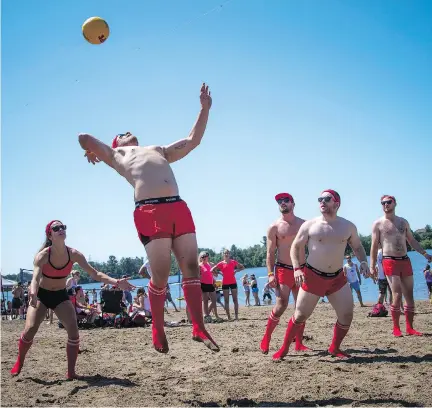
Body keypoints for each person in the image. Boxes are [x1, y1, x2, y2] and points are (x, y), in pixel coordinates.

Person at [78, 83, 218, 353]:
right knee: (162, 275)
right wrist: (93, 150)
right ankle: (158, 328)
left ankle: (198, 328)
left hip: (177, 206)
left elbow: (193, 141)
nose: (128, 131)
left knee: (191, 269)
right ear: (116, 143)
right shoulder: (116, 154)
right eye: (121, 133)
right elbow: (83, 136)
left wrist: (204, 108)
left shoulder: (158, 149)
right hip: (149, 210)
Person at [10, 220, 134, 379]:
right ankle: (20, 361)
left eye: (63, 227)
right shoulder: (42, 256)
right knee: (30, 329)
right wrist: (33, 293)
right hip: (41, 295)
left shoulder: (74, 254)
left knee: (74, 332)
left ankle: (71, 372)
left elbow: (95, 274)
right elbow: (35, 278)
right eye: (56, 228)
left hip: (60, 296)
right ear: (50, 234)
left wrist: (117, 282)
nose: (61, 229)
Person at [273, 190, 371, 360]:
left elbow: (358, 247)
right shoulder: (310, 225)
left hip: (337, 278)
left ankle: (334, 348)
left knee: (347, 315)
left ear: (337, 203)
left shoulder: (348, 226)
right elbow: (295, 248)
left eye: (327, 199)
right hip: (313, 277)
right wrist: (296, 268)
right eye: (320, 199)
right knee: (300, 315)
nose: (322, 202)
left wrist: (363, 262)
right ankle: (284, 348)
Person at [370, 195, 432, 337]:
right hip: (389, 261)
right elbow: (373, 246)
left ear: (395, 203)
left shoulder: (403, 222)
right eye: (383, 203)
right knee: (396, 295)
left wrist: (424, 254)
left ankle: (410, 328)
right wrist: (372, 265)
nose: (386, 205)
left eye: (388, 202)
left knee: (409, 295)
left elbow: (411, 240)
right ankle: (396, 328)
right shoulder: (378, 224)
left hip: (405, 260)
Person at [260, 192, 310, 354]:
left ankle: (299, 343)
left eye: (286, 200)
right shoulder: (274, 227)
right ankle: (266, 338)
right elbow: (269, 253)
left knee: (301, 307)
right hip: (282, 269)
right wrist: (270, 274)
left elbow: (315, 247)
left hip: (301, 269)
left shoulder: (304, 224)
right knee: (281, 305)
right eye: (280, 201)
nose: (282, 203)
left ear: (293, 204)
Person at [211, 249, 245, 320]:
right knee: (226, 301)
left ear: (229, 254)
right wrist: (220, 273)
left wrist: (236, 271)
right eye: (225, 253)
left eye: (227, 253)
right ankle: (229, 317)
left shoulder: (233, 262)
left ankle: (236, 316)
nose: (226, 254)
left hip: (233, 282)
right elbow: (212, 270)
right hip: (225, 283)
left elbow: (242, 267)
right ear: (223, 255)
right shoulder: (221, 263)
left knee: (235, 300)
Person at [199, 251, 220, 322]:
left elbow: (215, 275)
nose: (204, 258)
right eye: (203, 257)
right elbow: (198, 277)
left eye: (206, 256)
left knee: (214, 300)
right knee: (205, 301)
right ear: (201, 258)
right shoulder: (199, 266)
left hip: (211, 284)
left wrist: (214, 281)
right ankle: (206, 315)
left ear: (208, 257)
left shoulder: (210, 265)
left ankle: (209, 314)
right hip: (203, 285)